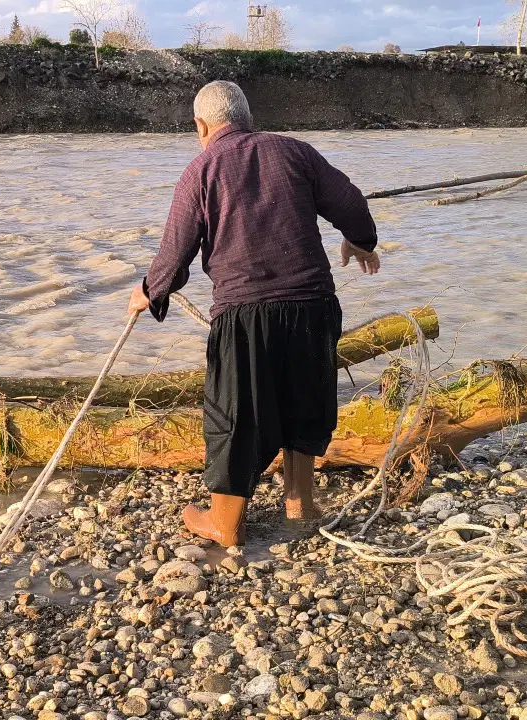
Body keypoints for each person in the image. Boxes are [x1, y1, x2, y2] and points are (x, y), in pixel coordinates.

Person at [127, 80, 381, 547]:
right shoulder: (296, 153)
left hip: (245, 313)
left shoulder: (200, 170)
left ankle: (226, 524)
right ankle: (299, 503)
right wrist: (360, 241)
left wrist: (149, 291)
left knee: (235, 413)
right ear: (247, 119)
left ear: (201, 126)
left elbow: (176, 252)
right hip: (313, 305)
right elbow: (349, 201)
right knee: (306, 399)